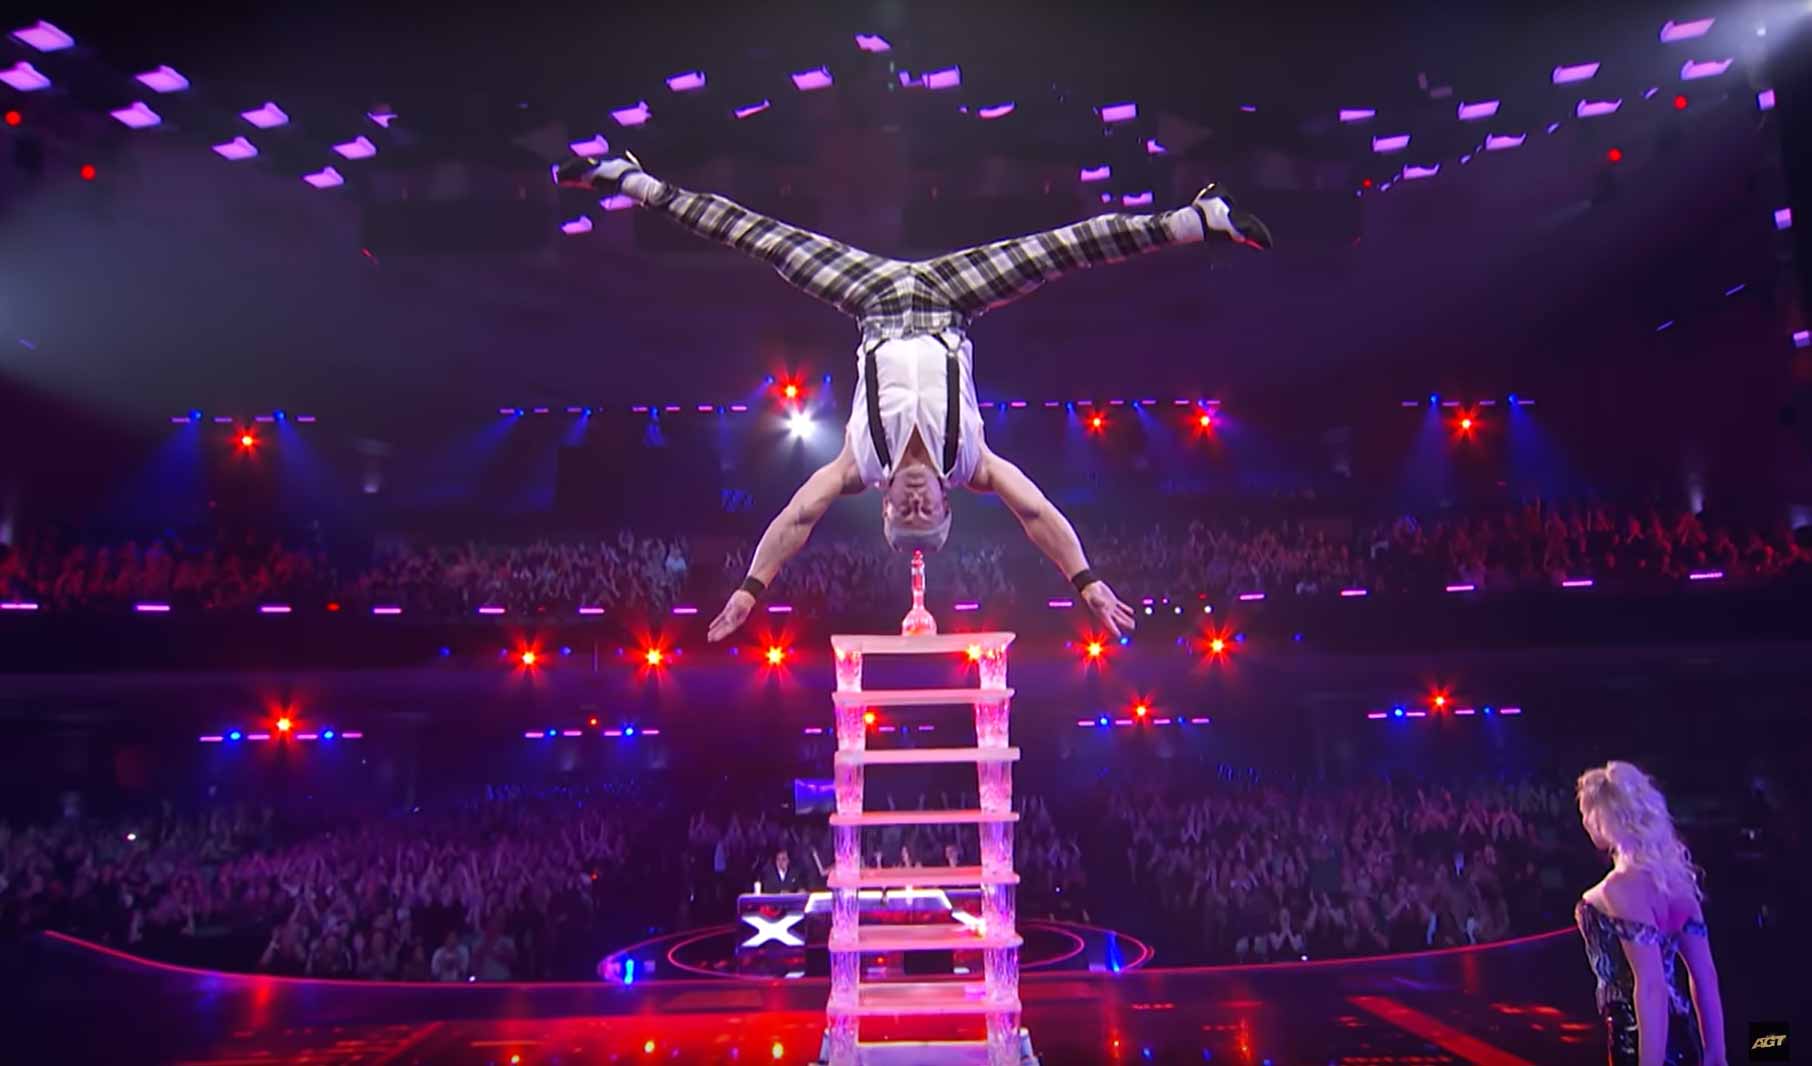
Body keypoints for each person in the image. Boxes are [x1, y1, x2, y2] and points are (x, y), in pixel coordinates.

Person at [555, 152, 1272, 643]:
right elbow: (1038, 515)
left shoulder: (855, 466)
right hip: (948, 302)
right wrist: (1084, 581)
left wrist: (750, 587)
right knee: (1065, 246)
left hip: (869, 300)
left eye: (905, 512)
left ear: (887, 507)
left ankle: (627, 177)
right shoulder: (975, 463)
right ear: (950, 504)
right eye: (928, 511)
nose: (916, 501)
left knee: (754, 238)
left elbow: (797, 518)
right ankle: (1193, 221)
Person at [1574, 761, 1726, 1066]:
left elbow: (1652, 985)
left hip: (1641, 1041)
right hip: (1684, 1038)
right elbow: (1705, 976)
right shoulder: (1677, 884)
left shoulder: (1617, 889)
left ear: (1601, 819)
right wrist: (1716, 1054)